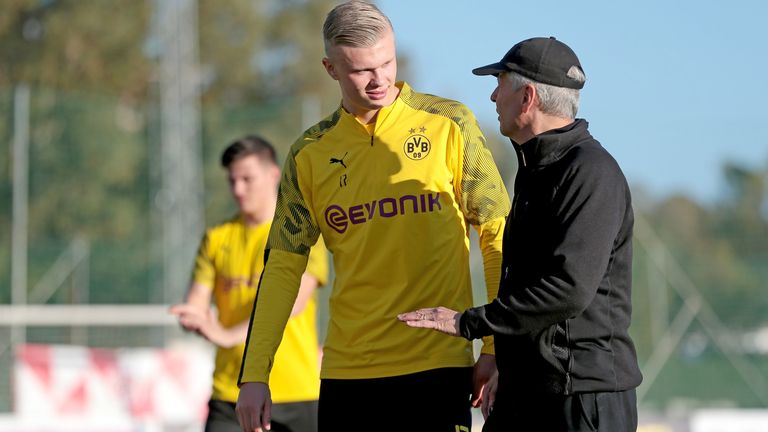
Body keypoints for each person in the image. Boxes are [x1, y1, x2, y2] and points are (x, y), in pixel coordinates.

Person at [235, 2, 510, 431]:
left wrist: (494, 346)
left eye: (387, 62)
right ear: (330, 69)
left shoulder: (450, 124)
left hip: (437, 364)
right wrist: (254, 375)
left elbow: (496, 235)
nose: (379, 79)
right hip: (348, 374)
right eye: (362, 70)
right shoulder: (309, 153)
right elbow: (283, 265)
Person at [399, 37, 643, 431]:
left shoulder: (591, 172)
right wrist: (507, 367)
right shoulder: (536, 170)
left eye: (500, 83)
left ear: (527, 96)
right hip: (529, 391)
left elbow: (568, 290)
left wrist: (469, 322)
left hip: (581, 398)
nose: (494, 96)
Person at [170, 136, 329, 432]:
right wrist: (192, 318)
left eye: (247, 179)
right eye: (232, 181)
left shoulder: (300, 233)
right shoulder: (217, 239)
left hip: (296, 394)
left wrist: (230, 335)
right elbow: (197, 303)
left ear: (273, 175)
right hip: (232, 394)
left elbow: (293, 303)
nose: (238, 189)